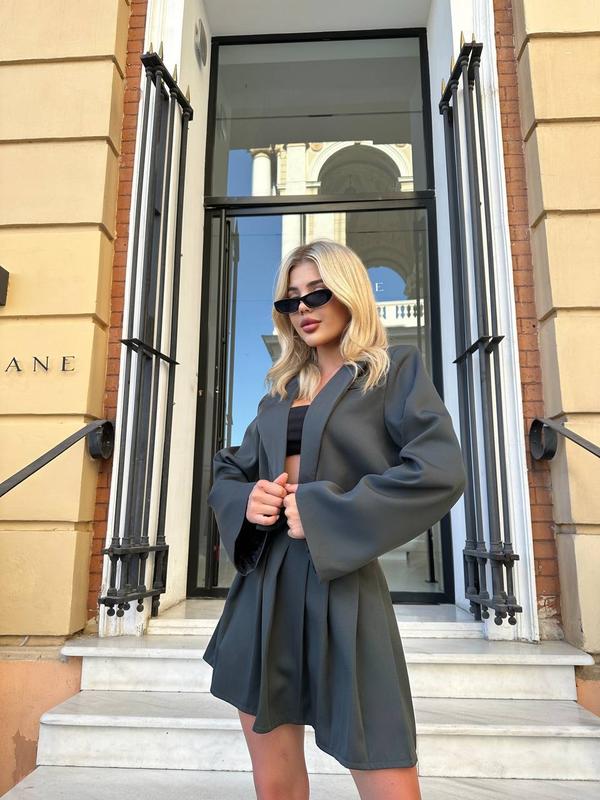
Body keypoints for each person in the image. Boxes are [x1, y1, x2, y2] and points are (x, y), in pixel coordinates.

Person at [203, 238, 467, 800]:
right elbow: (229, 470)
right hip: (263, 590)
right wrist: (248, 500)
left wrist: (327, 510)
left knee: (383, 761)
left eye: (317, 293)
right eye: (290, 299)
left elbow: (439, 470)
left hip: (342, 585)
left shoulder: (392, 373)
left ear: (349, 294)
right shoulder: (279, 395)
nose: (303, 307)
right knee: (274, 781)